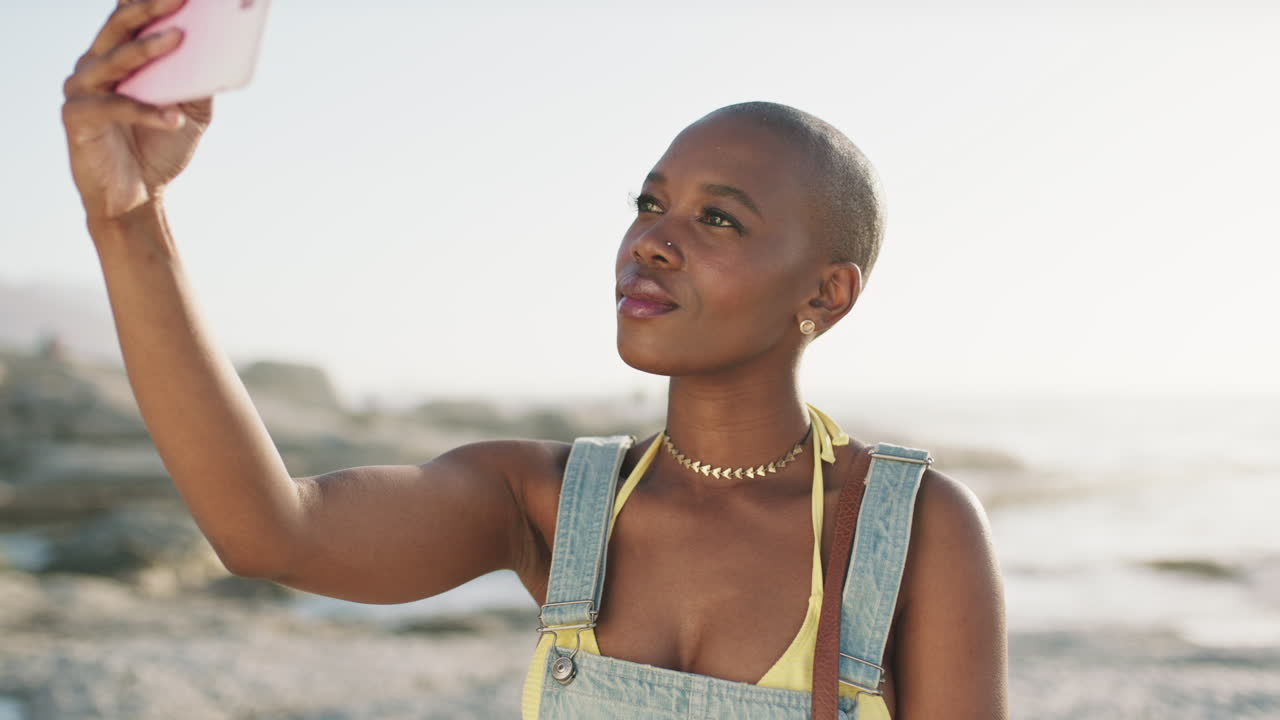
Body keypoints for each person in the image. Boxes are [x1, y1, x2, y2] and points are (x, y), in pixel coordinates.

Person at [61, 1, 1009, 718]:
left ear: (825, 294)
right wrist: (129, 215)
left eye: (717, 218)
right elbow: (271, 532)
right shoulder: (549, 502)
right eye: (648, 204)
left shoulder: (911, 531)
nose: (653, 242)